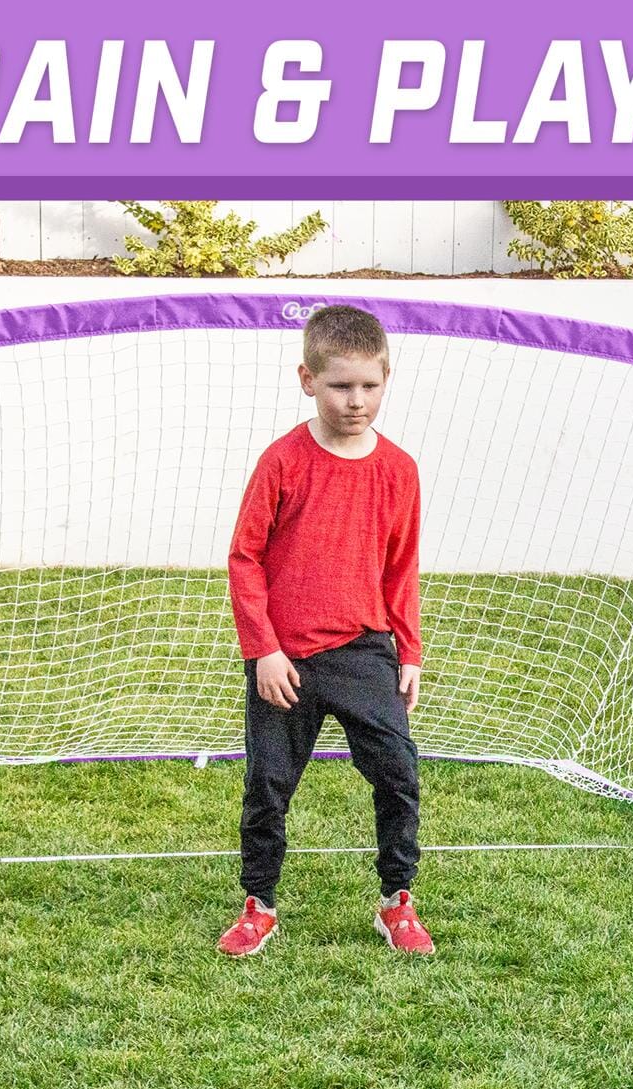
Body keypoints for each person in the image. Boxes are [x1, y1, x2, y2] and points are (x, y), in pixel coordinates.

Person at [219, 304, 433, 957]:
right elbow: (245, 558)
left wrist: (410, 650)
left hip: (365, 651)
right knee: (268, 786)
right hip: (285, 660)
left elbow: (401, 566)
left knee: (398, 773)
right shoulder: (283, 462)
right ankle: (259, 903)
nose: (356, 400)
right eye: (341, 385)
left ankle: (397, 900)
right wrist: (264, 650)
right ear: (308, 379)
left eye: (369, 385)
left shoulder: (399, 470)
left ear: (386, 378)